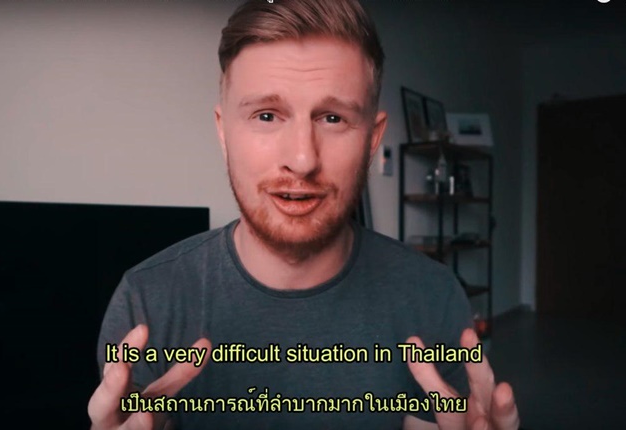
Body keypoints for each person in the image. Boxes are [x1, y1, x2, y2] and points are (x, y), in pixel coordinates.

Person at [88, 1, 520, 429]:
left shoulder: (433, 296)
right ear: (223, 132)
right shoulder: (147, 300)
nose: (302, 159)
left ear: (372, 140)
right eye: (266, 115)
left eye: (332, 118)